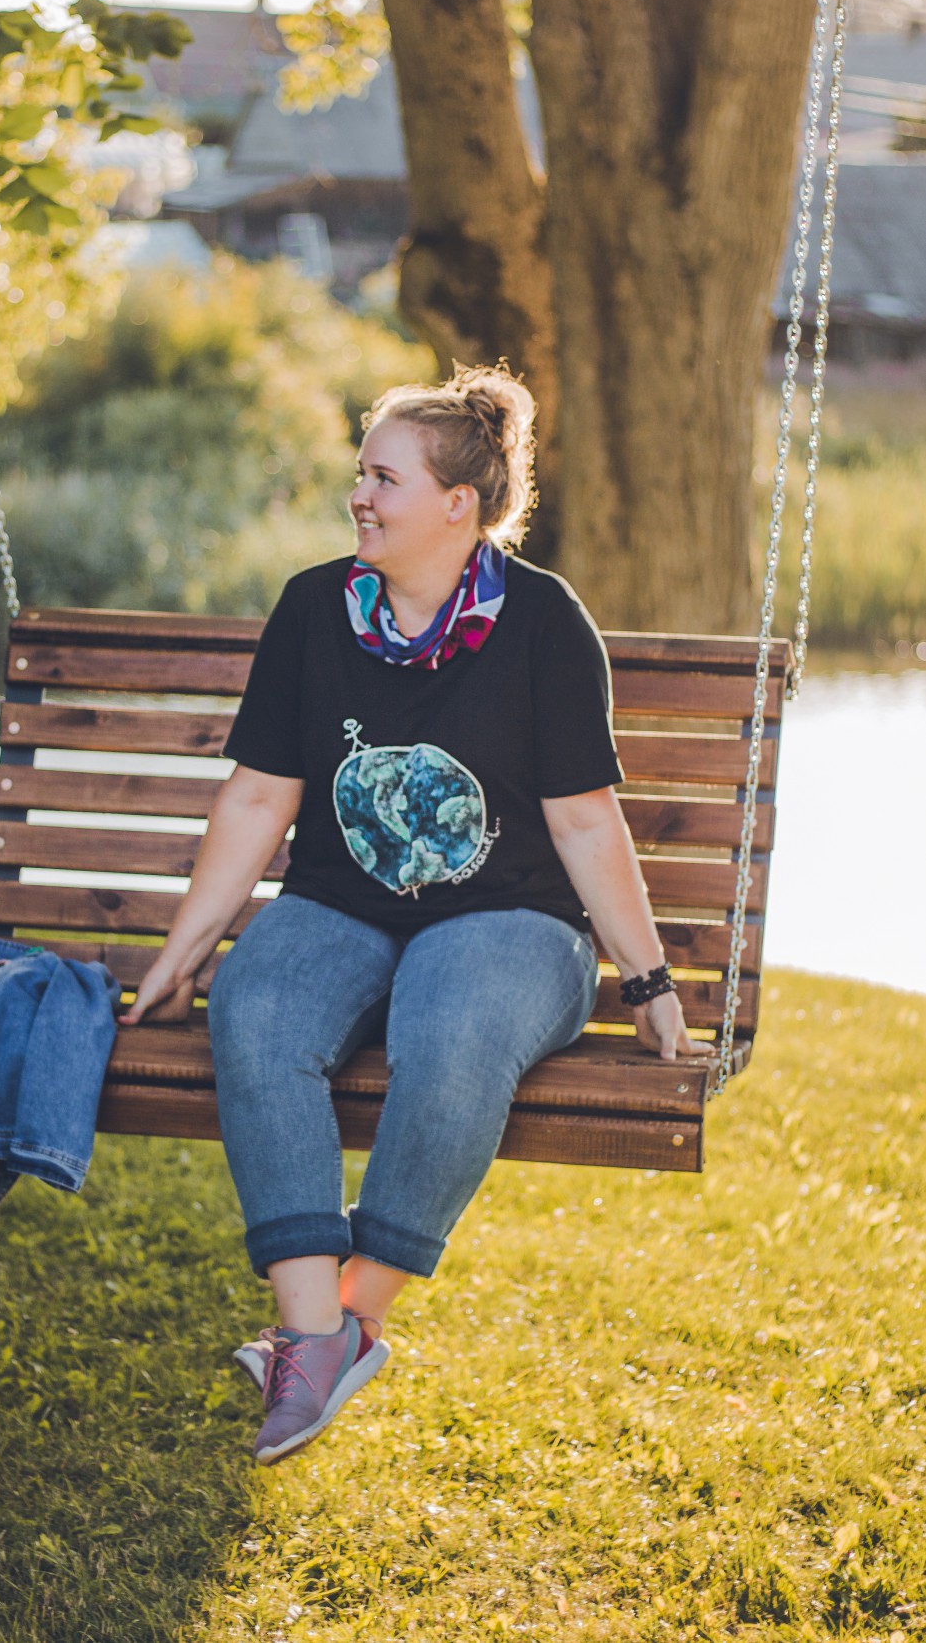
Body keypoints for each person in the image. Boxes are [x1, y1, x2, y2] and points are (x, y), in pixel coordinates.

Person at [127, 362, 714, 1466]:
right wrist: (186, 951)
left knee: (450, 1027)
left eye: (383, 478)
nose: (358, 495)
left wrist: (646, 981)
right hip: (339, 905)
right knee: (255, 1006)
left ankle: (352, 1312)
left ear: (458, 503)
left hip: (513, 923)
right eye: (360, 473)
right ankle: (317, 1334)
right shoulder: (315, 608)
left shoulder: (543, 621)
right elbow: (257, 796)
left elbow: (585, 822)